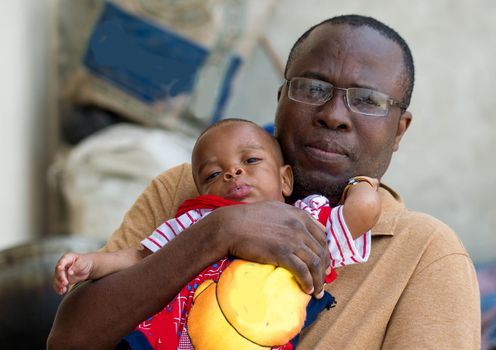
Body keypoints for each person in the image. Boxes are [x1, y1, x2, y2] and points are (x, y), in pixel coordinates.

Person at [48, 14, 481, 349]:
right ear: (280, 100)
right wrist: (218, 231)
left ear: (399, 130)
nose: (333, 114)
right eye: (313, 88)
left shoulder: (425, 253)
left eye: (367, 100)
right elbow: (69, 341)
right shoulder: (189, 189)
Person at [52, 118, 379, 349]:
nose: (233, 172)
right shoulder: (198, 219)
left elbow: (360, 215)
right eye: (213, 174)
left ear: (285, 180)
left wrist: (362, 183)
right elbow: (139, 256)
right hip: (174, 340)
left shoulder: (307, 219)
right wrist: (92, 264)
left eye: (250, 160)